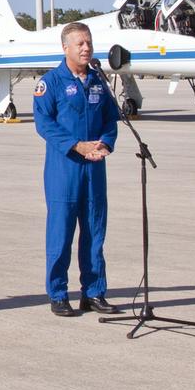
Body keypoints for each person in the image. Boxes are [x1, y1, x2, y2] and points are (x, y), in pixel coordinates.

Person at [32, 22, 121, 317]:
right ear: (65, 48)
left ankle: (94, 292)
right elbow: (45, 124)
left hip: (95, 170)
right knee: (61, 233)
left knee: (95, 232)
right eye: (80, 44)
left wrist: (106, 143)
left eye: (89, 43)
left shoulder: (98, 81)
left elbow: (110, 118)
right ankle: (58, 293)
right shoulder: (51, 82)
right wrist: (76, 145)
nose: (86, 48)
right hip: (65, 169)